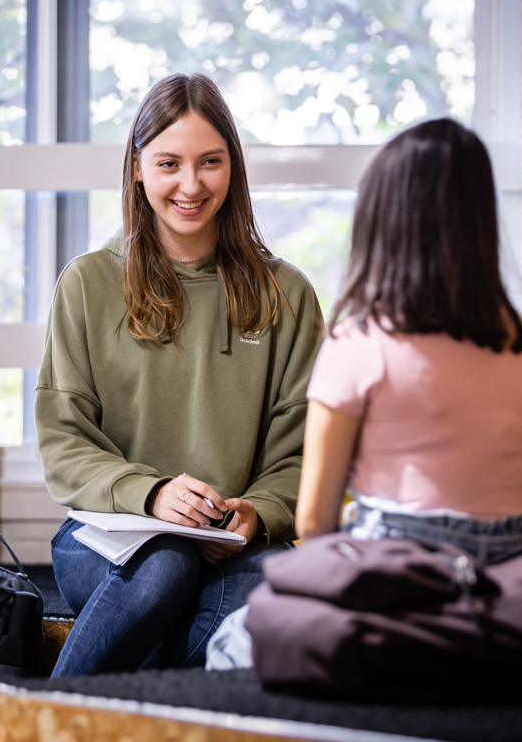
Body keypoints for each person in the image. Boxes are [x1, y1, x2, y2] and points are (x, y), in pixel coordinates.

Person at [34, 73, 324, 676]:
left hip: (237, 549)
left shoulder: (287, 293)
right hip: (110, 538)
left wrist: (258, 511)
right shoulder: (87, 283)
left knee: (252, 600)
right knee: (166, 565)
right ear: (138, 168)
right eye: (169, 163)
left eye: (210, 162)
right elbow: (64, 443)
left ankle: (83, 711)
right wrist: (152, 495)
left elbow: (304, 452)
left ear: (233, 167)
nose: (191, 185)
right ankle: (43, 717)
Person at [296, 118, 522, 561]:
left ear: (383, 222)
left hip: (392, 584)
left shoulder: (360, 344)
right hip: (509, 584)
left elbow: (313, 522)